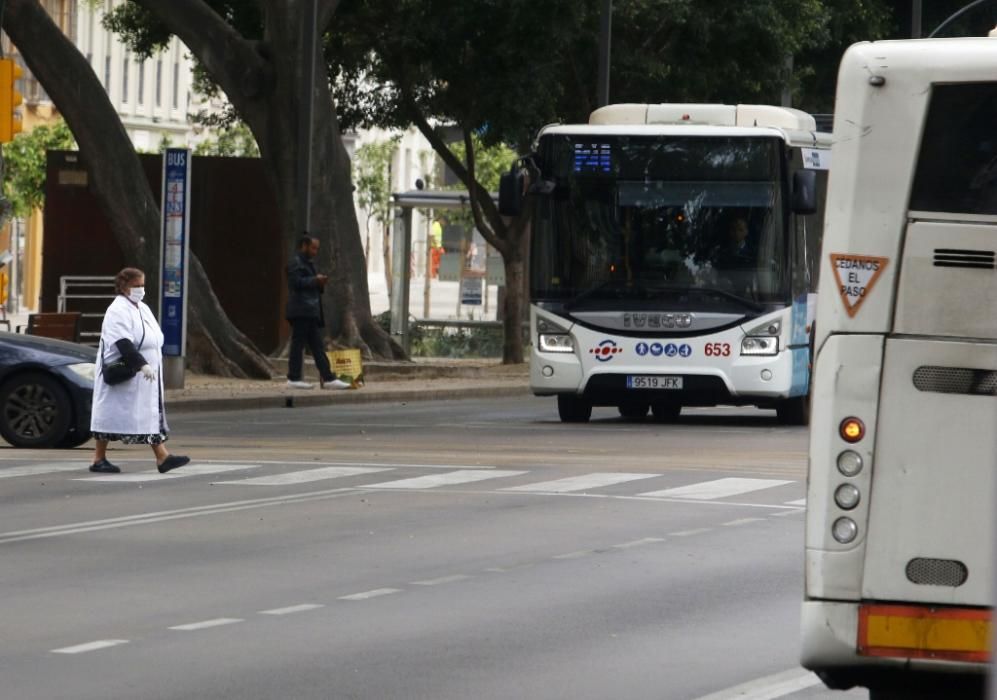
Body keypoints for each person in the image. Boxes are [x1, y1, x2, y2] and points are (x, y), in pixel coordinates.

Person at [89, 267, 190, 474]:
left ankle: (162, 457)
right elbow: (123, 342)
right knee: (109, 414)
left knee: (148, 415)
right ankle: (99, 459)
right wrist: (141, 364)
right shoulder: (117, 310)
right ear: (124, 287)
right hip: (125, 371)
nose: (141, 290)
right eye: (136, 286)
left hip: (144, 376)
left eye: (143, 285)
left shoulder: (141, 307)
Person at [286, 235, 350, 390]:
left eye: (317, 248)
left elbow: (311, 284)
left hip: (310, 311)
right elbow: (295, 283)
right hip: (301, 310)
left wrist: (319, 282)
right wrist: (315, 280)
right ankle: (294, 378)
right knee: (298, 344)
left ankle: (328, 378)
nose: (315, 251)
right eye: (313, 248)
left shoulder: (308, 263)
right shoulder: (296, 262)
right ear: (304, 246)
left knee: (317, 346)